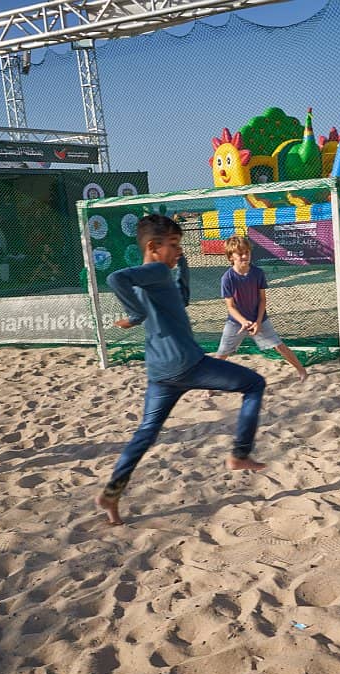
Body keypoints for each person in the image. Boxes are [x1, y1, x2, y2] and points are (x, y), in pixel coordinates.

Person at [95, 215, 267, 526]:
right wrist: (134, 314)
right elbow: (114, 279)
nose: (178, 251)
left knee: (145, 434)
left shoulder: (154, 279)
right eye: (173, 245)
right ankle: (240, 453)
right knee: (254, 384)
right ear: (152, 247)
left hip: (160, 373)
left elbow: (180, 296)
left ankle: (112, 493)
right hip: (188, 365)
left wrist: (135, 316)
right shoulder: (157, 271)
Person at [216, 235, 307, 382]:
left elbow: (262, 300)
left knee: (279, 346)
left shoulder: (258, 273)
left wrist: (258, 321)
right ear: (231, 257)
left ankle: (301, 370)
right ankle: (210, 385)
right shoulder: (227, 278)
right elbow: (230, 307)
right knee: (221, 354)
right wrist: (244, 321)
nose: (245, 256)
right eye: (240, 254)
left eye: (247, 252)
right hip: (236, 322)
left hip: (259, 318)